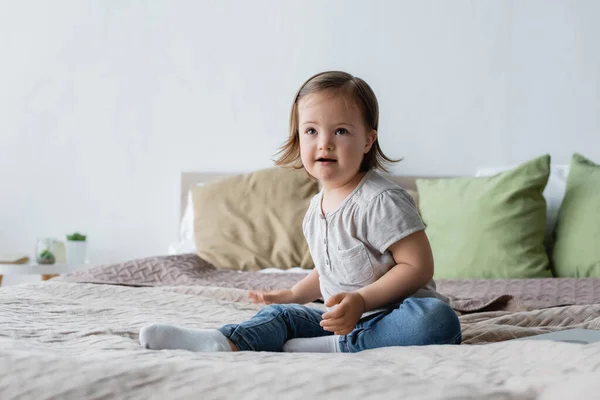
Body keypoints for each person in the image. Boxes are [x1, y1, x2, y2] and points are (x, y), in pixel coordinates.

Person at [139, 71, 461, 353]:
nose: (325, 143)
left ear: (368, 140)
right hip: (338, 318)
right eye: (311, 131)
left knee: (437, 321)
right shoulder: (314, 208)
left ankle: (338, 347)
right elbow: (329, 268)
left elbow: (417, 266)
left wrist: (361, 301)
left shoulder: (381, 199)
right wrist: (294, 294)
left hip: (393, 313)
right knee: (280, 316)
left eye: (341, 131)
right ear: (297, 138)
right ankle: (221, 341)